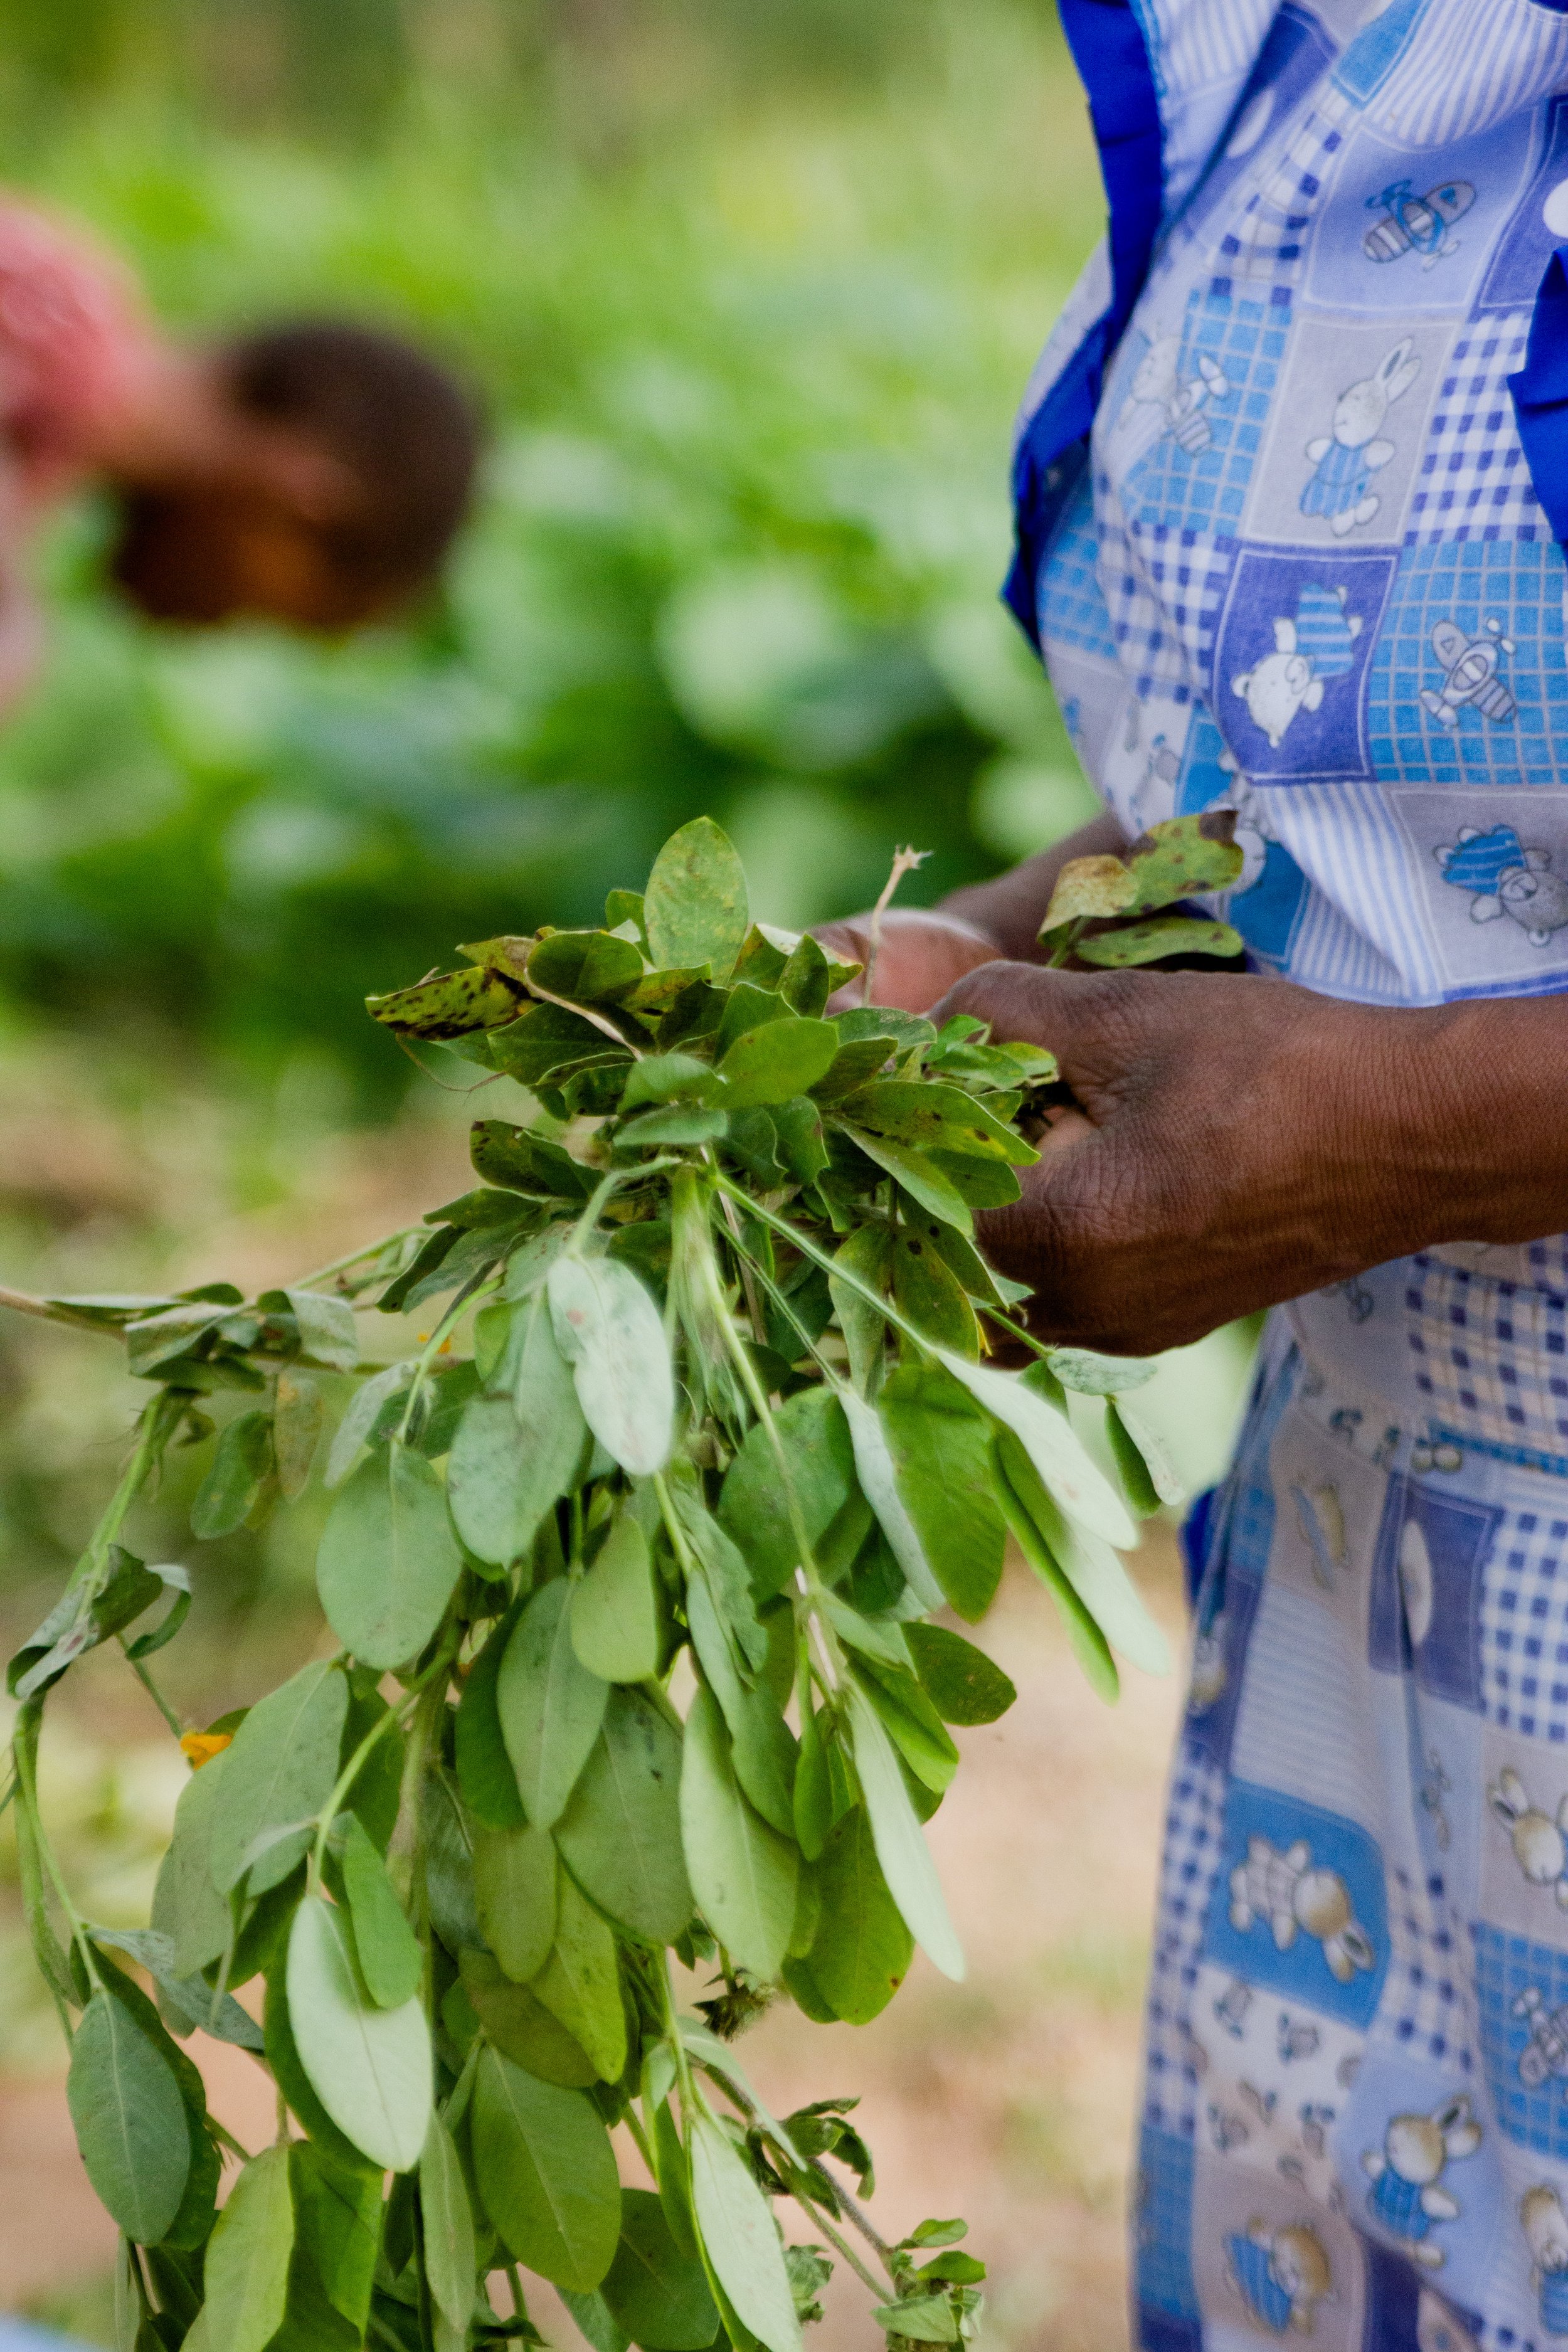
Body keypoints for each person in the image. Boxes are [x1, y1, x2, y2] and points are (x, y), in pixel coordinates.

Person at [818, 2, 1568, 2342]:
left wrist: (1408, 1126)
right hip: (1385, 1606)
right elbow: (1344, 777)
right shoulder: (1318, 41)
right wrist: (972, 958)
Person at [0, 197, 479, 708]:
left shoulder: (47, 433)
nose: (215, 630)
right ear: (303, 498)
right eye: (265, 618)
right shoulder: (39, 347)